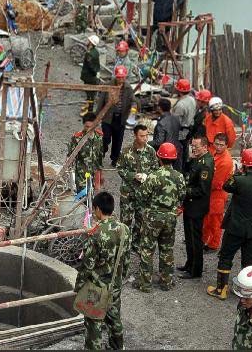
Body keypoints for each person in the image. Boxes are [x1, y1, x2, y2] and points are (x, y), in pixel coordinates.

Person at [207, 148, 252, 300]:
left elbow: (226, 186)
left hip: (235, 227)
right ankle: (249, 291)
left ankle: (221, 289)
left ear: (244, 164)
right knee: (251, 260)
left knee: (226, 256)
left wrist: (237, 172)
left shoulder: (238, 180)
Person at [75, 191, 131, 350]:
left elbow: (88, 264)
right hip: (115, 283)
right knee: (114, 318)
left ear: (98, 209)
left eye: (94, 209)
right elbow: (126, 259)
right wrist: (121, 277)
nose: (93, 212)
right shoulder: (124, 229)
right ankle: (117, 347)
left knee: (93, 322)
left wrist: (79, 285)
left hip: (97, 286)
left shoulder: (96, 233)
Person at [136, 143, 186, 292]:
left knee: (147, 250)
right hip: (170, 218)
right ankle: (166, 282)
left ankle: (145, 284)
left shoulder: (153, 176)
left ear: (159, 157)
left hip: (153, 218)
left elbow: (141, 196)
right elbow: (182, 196)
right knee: (167, 249)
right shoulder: (179, 177)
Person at [116, 124, 158, 252]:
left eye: (147, 135)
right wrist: (134, 176)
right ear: (135, 136)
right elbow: (120, 168)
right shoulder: (126, 151)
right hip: (128, 193)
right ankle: (123, 244)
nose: (145, 138)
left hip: (143, 193)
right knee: (125, 221)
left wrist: (147, 176)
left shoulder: (150, 151)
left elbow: (156, 169)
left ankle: (136, 243)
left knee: (141, 220)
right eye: (142, 136)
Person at [179, 136, 214, 280]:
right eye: (192, 146)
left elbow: (202, 189)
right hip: (190, 205)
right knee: (189, 237)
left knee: (195, 240)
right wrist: (190, 159)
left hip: (196, 206)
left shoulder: (206, 163)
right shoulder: (197, 159)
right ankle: (189, 264)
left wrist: (184, 191)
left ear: (205, 147)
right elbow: (187, 172)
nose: (193, 148)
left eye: (196, 146)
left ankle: (195, 270)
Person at [94, 66, 134, 167]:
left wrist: (134, 106)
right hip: (108, 118)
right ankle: (100, 156)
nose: (121, 79)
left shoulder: (128, 88)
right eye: (119, 77)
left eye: (123, 77)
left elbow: (133, 100)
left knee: (118, 140)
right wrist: (96, 116)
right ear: (116, 76)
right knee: (105, 138)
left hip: (120, 119)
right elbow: (101, 101)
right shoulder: (108, 86)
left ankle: (115, 159)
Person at [203, 132, 233, 251]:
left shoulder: (225, 161)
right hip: (212, 192)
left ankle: (213, 245)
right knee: (208, 218)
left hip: (217, 194)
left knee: (215, 220)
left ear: (226, 145)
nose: (218, 147)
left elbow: (216, 182)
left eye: (221, 145)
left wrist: (202, 186)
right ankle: (204, 239)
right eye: (216, 144)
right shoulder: (215, 153)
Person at [68, 112, 104, 194]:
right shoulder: (77, 138)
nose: (89, 130)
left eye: (92, 127)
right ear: (83, 125)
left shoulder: (99, 137)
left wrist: (100, 174)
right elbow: (70, 157)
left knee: (92, 197)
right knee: (82, 197)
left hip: (94, 174)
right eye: (87, 127)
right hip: (82, 174)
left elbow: (100, 157)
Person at [151, 98, 183, 171]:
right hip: (177, 150)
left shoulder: (161, 123)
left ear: (159, 108)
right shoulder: (176, 118)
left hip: (166, 153)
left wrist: (146, 143)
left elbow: (159, 142)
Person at [80, 34, 101, 112]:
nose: (87, 41)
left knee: (90, 94)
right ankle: (88, 105)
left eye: (89, 41)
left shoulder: (89, 54)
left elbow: (91, 66)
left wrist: (95, 74)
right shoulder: (96, 51)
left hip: (90, 77)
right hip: (93, 77)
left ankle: (89, 110)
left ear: (91, 43)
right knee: (90, 93)